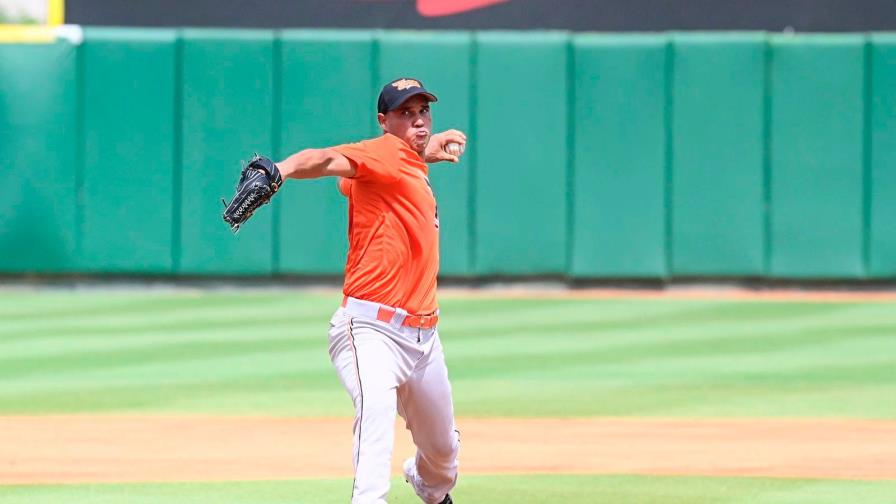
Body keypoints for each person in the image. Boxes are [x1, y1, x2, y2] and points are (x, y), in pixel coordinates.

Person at [275, 77, 466, 504]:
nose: (418, 121)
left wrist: (425, 154)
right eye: (405, 114)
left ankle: (426, 485)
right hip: (371, 330)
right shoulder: (383, 151)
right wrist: (281, 170)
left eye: (423, 113)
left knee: (443, 454)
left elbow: (368, 176)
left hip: (423, 338)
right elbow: (326, 159)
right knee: (376, 418)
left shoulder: (402, 163)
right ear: (384, 122)